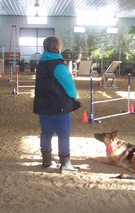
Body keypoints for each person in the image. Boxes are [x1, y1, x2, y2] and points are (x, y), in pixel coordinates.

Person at [33, 36, 80, 173]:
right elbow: (70, 87)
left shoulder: (40, 64)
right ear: (56, 47)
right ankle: (65, 163)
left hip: (43, 105)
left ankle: (46, 160)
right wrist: (73, 97)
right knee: (63, 134)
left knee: (46, 133)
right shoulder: (58, 65)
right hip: (59, 106)